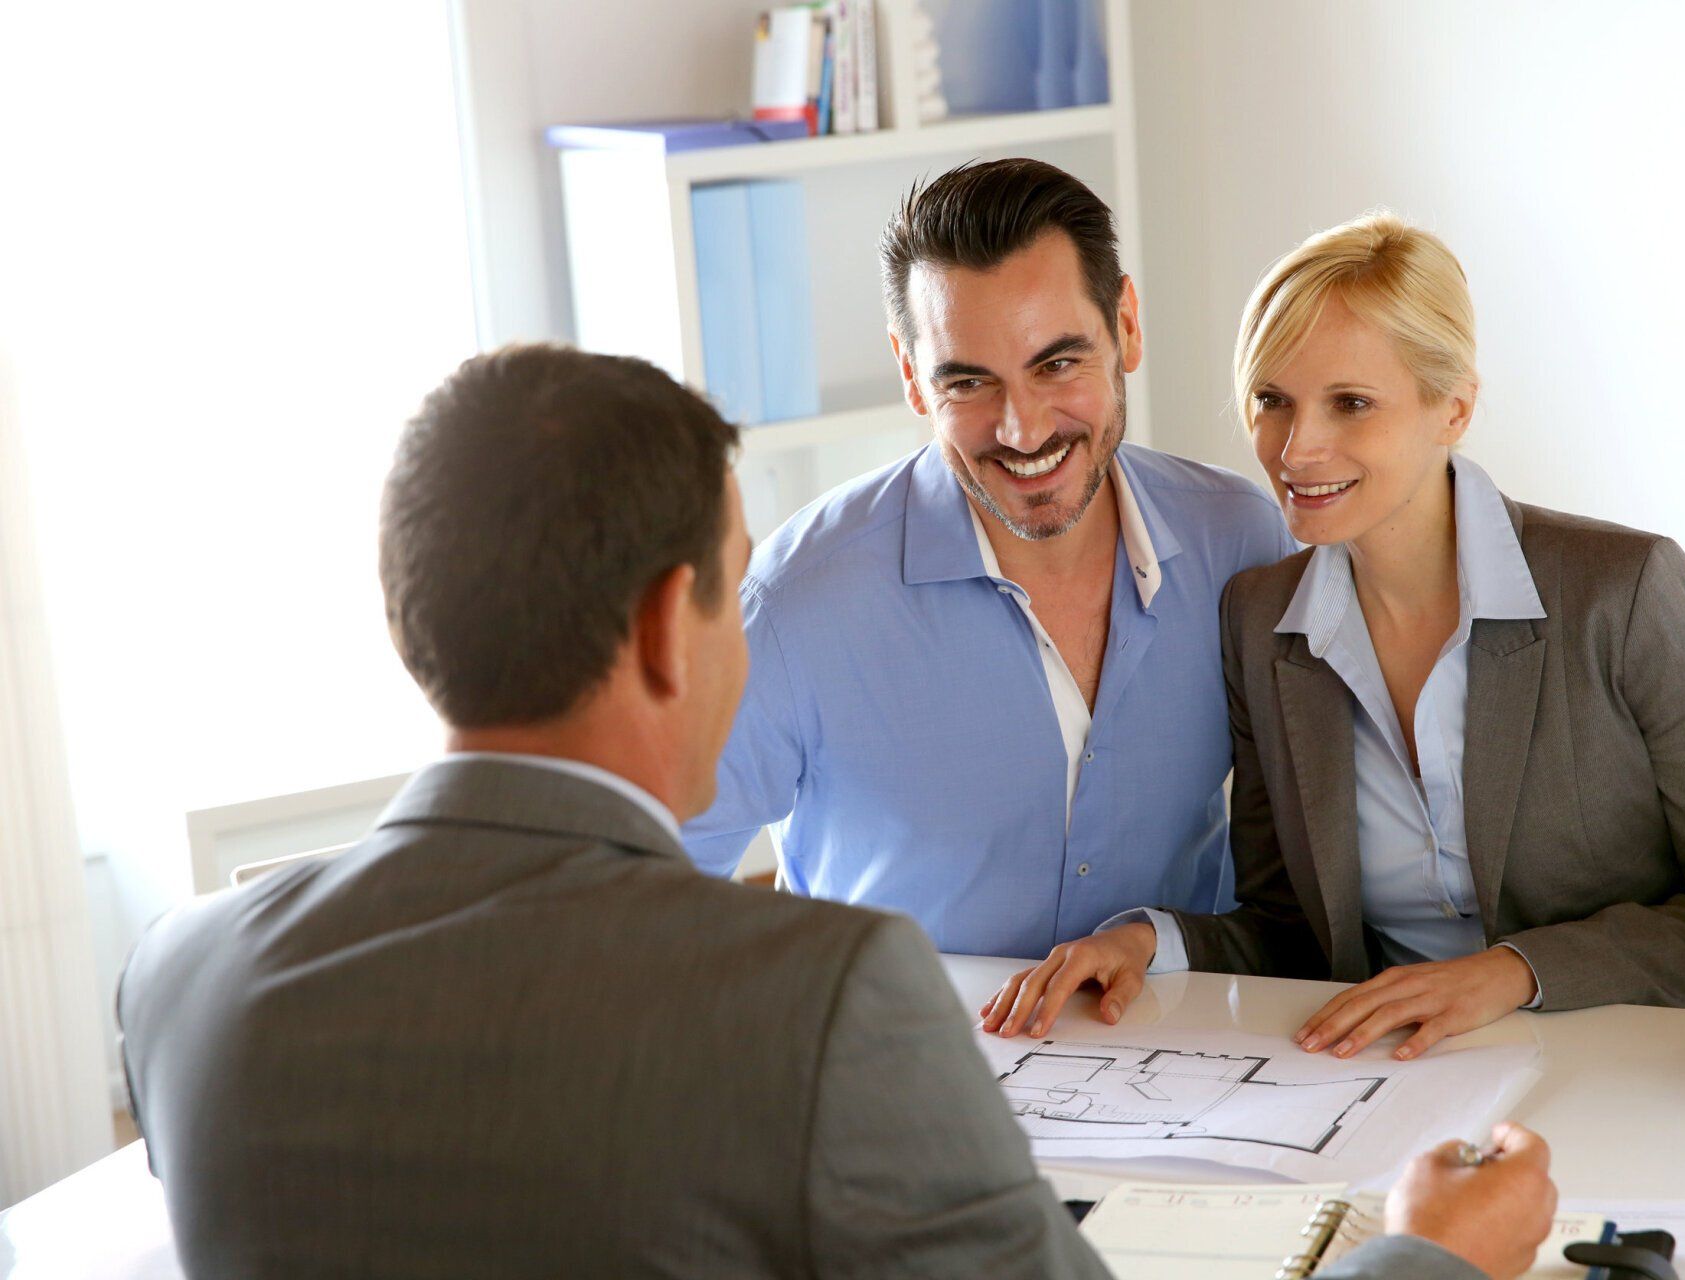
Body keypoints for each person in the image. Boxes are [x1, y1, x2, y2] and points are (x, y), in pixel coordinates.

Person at [115, 345, 1556, 1280]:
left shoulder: (183, 975)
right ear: (673, 633)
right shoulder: (827, 1002)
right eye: (735, 588)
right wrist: (1429, 1258)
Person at [983, 212, 1685, 1060]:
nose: (1298, 449)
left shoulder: (1624, 592)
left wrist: (1516, 971)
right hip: (1394, 1081)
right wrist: (1148, 942)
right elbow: (1291, 931)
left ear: (1454, 407)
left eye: (1352, 404)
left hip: (1637, 1075)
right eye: (1273, 401)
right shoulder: (1261, 623)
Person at [680, 158, 1297, 960]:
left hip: (1194, 1061)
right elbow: (655, 900)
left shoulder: (1239, 544)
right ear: (911, 373)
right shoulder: (796, 606)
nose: (1023, 429)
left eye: (1058, 363)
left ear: (1127, 326)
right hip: (898, 1072)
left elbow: (1298, 871)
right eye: (968, 382)